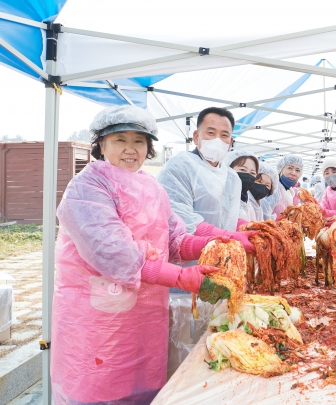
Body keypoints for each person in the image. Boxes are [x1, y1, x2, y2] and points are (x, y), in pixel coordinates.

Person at [51, 105, 229, 405]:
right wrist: (182, 277)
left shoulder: (152, 187)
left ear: (149, 148)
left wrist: (216, 244)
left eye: (139, 141)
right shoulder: (88, 186)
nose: (130, 149)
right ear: (101, 145)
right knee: (98, 388)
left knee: (140, 390)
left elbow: (174, 239)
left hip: (145, 317)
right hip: (97, 318)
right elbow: (113, 254)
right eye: (120, 140)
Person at [157, 107, 254, 253]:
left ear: (230, 142)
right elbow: (181, 220)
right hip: (189, 259)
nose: (217, 140)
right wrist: (228, 236)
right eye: (211, 133)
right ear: (196, 137)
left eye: (224, 135)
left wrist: (247, 228)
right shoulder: (180, 166)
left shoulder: (232, 177)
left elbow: (234, 212)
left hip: (226, 255)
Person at [224, 150, 260, 227]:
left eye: (252, 173)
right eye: (243, 170)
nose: (248, 175)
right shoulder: (222, 197)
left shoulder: (246, 200)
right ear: (229, 169)